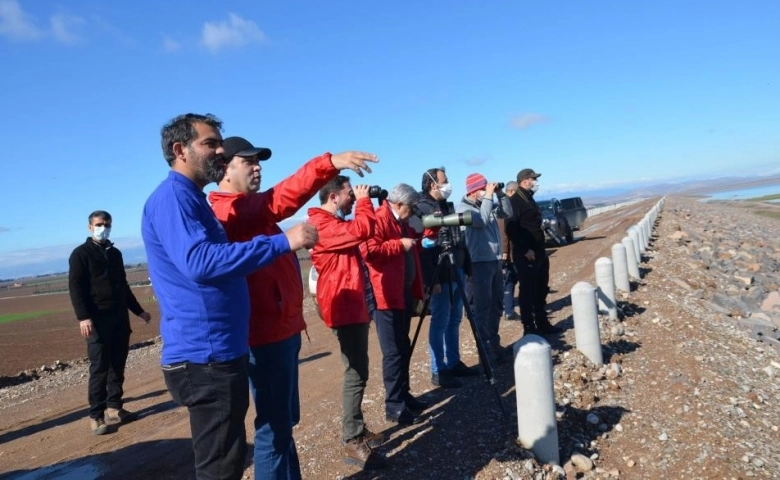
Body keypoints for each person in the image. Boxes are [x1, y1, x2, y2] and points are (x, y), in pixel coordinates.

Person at [142, 113, 318, 480]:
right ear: (180, 150)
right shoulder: (173, 198)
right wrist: (283, 242)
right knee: (221, 469)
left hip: (220, 351)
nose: (219, 150)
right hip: (204, 357)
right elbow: (200, 262)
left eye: (220, 143)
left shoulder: (193, 198)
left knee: (231, 460)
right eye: (210, 143)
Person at [208, 136, 376, 480]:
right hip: (266, 333)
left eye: (259, 161)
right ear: (225, 167)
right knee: (273, 429)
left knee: (284, 424)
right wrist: (328, 163)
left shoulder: (247, 207)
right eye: (248, 161)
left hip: (281, 327)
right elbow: (281, 199)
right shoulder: (232, 209)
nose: (257, 167)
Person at [307, 177, 386, 470]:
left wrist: (367, 204)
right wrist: (366, 202)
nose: (354, 197)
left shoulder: (334, 223)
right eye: (349, 193)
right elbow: (362, 229)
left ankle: (357, 426)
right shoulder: (323, 225)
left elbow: (363, 230)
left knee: (359, 370)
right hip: (344, 308)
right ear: (332, 196)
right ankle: (352, 440)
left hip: (353, 306)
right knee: (355, 373)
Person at [68, 210, 152, 435]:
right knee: (100, 368)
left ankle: (115, 407)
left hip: (118, 318)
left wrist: (139, 311)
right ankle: (96, 415)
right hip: (96, 320)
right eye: (98, 224)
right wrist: (83, 317)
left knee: (118, 364)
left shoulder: (115, 254)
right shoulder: (80, 254)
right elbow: (76, 288)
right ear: (89, 227)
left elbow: (123, 286)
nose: (103, 227)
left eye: (106, 224)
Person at [360, 184, 426, 426]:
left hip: (400, 292)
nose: (413, 211)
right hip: (385, 296)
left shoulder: (398, 220)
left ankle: (403, 396)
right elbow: (369, 251)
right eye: (411, 207)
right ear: (399, 205)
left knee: (403, 345)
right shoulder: (380, 219)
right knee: (393, 352)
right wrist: (399, 244)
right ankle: (395, 406)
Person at [416, 168, 476, 388]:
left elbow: (458, 237)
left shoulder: (446, 206)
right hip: (440, 273)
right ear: (433, 184)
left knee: (455, 319)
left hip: (457, 266)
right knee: (440, 321)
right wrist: (432, 280)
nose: (448, 185)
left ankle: (453, 362)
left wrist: (467, 264)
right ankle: (438, 370)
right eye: (445, 181)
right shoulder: (421, 209)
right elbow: (422, 249)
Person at [457, 173, 513, 364]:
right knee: (482, 308)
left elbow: (507, 213)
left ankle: (494, 344)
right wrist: (489, 196)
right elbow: (480, 221)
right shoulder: (465, 209)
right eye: (483, 188)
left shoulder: (487, 204)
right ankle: (484, 352)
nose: (485, 191)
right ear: (474, 191)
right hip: (478, 264)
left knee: (497, 305)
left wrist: (500, 194)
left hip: (495, 261)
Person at [505, 168, 562, 335]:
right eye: (533, 179)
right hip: (526, 254)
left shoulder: (529, 199)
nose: (535, 182)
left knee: (541, 288)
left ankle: (542, 323)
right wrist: (525, 250)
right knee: (528, 291)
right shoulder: (515, 201)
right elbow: (511, 228)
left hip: (539, 251)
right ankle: (529, 327)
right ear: (524, 181)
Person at [499, 181, 521, 321]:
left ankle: (508, 310)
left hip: (509, 251)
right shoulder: (505, 206)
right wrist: (505, 251)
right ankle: (508, 310)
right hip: (509, 252)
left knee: (510, 280)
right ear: (512, 191)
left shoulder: (506, 205)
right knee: (509, 280)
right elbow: (503, 232)